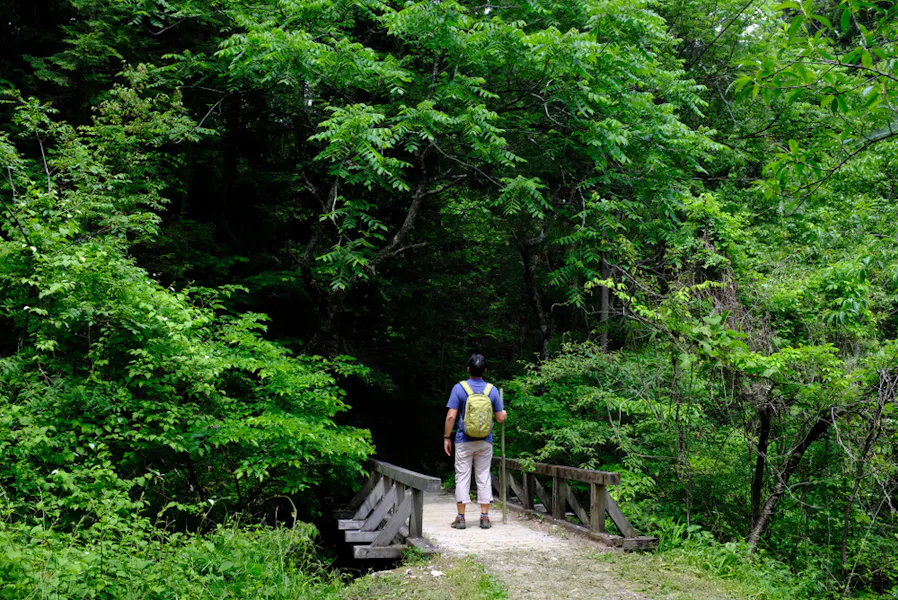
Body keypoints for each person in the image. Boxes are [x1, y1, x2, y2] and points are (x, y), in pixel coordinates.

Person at [443, 353, 507, 529]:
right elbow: (500, 418)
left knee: (462, 476)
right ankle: (484, 517)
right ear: (485, 371)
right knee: (483, 476)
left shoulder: (459, 388)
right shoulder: (491, 390)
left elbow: (450, 416)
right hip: (485, 441)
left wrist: (446, 437)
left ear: (468, 369)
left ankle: (461, 517)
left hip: (464, 440)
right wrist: (504, 413)